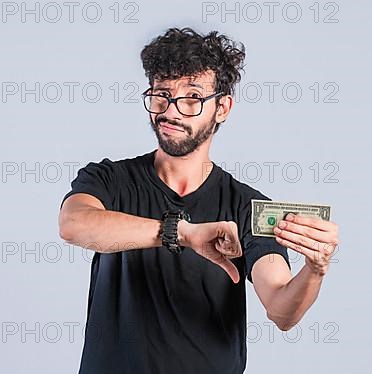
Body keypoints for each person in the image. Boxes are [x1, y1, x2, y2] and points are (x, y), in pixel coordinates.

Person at [58, 27, 340, 374]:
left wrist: (315, 269)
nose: (171, 111)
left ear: (222, 107)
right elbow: (74, 224)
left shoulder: (246, 206)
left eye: (192, 97)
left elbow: (282, 309)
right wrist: (184, 233)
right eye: (162, 94)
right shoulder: (109, 180)